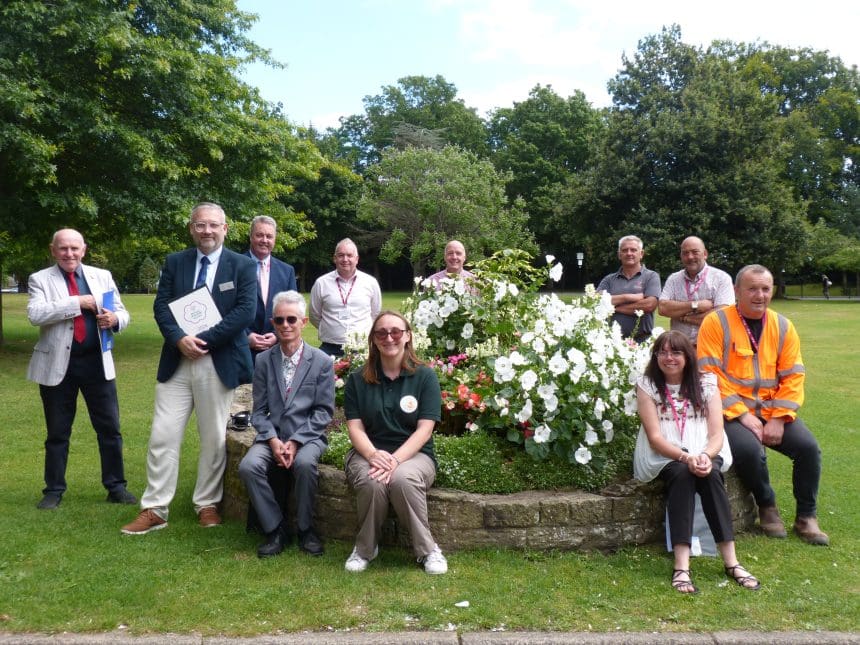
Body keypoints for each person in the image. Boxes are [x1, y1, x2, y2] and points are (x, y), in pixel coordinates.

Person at [121, 202, 257, 534]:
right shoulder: (175, 262)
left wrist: (204, 340)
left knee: (213, 437)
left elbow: (244, 312)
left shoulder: (241, 265)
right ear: (191, 228)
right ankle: (155, 508)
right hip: (177, 362)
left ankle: (206, 503)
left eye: (213, 225)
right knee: (163, 434)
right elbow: (161, 306)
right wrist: (180, 339)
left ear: (225, 228)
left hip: (217, 361)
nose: (206, 231)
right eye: (200, 225)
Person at [697, 264, 828, 545]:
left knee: (809, 450)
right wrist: (743, 415)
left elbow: (794, 376)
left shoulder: (783, 326)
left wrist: (780, 418)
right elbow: (709, 374)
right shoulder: (715, 322)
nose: (760, 295)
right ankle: (767, 506)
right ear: (736, 291)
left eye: (766, 289)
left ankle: (807, 516)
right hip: (731, 412)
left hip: (773, 410)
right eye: (752, 289)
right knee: (750, 451)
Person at [635, 331, 760, 594]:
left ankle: (732, 562)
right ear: (655, 356)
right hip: (666, 454)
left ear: (687, 356)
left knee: (710, 475)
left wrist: (704, 456)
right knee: (682, 474)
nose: (669, 358)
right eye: (663, 353)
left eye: (676, 352)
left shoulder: (707, 384)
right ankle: (682, 565)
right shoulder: (647, 386)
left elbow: (716, 433)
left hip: (704, 449)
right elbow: (655, 437)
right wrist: (685, 456)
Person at [27, 229, 135, 510]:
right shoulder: (40, 279)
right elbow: (35, 314)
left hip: (97, 364)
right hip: (57, 367)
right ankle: (53, 490)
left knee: (110, 429)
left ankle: (116, 486)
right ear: (53, 250)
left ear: (84, 250)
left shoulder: (102, 276)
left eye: (75, 248)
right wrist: (79, 303)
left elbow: (123, 312)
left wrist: (114, 319)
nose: (69, 254)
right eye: (63, 248)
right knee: (58, 432)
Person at [342, 310, 447, 574]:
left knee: (402, 479)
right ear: (374, 340)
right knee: (371, 480)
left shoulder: (425, 377)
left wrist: (395, 460)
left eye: (396, 332)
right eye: (381, 333)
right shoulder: (357, 379)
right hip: (368, 452)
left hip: (414, 454)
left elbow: (425, 430)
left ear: (408, 336)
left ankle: (427, 550)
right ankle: (365, 549)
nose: (389, 337)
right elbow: (355, 428)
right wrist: (373, 454)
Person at [238, 290, 334, 558]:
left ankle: (305, 529)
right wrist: (272, 440)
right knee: (248, 466)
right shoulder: (263, 360)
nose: (285, 326)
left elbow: (323, 412)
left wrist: (295, 441)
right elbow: (259, 412)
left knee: (304, 464)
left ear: (303, 322)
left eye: (292, 319)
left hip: (308, 437)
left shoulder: (323, 362)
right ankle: (276, 528)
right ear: (273, 323)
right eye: (279, 320)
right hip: (272, 437)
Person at [309, 238, 381, 357]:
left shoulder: (370, 283)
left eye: (349, 255)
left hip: (362, 348)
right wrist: (332, 329)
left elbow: (375, 313)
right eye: (341, 255)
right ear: (335, 258)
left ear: (356, 259)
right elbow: (314, 315)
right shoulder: (321, 283)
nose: (345, 259)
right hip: (330, 348)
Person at [658, 236, 734, 345]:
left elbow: (723, 315)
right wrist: (696, 305)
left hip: (711, 346)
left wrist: (685, 317)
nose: (690, 257)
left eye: (695, 252)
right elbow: (663, 308)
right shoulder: (673, 279)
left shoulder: (721, 278)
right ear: (681, 256)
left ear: (705, 254)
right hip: (680, 348)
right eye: (685, 253)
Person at [245, 215, 297, 355]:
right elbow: (225, 308)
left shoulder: (287, 271)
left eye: (269, 236)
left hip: (276, 350)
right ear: (251, 237)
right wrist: (245, 336)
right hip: (241, 350)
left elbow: (293, 310)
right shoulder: (234, 266)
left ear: (275, 239)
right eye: (259, 235)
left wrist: (277, 334)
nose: (264, 240)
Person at [596, 235, 661, 342]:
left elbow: (649, 305)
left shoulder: (651, 276)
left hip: (641, 342)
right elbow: (596, 300)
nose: (629, 253)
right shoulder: (609, 279)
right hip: (611, 343)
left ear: (641, 254)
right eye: (625, 250)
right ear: (619, 255)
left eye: (633, 250)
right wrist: (628, 297)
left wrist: (613, 308)